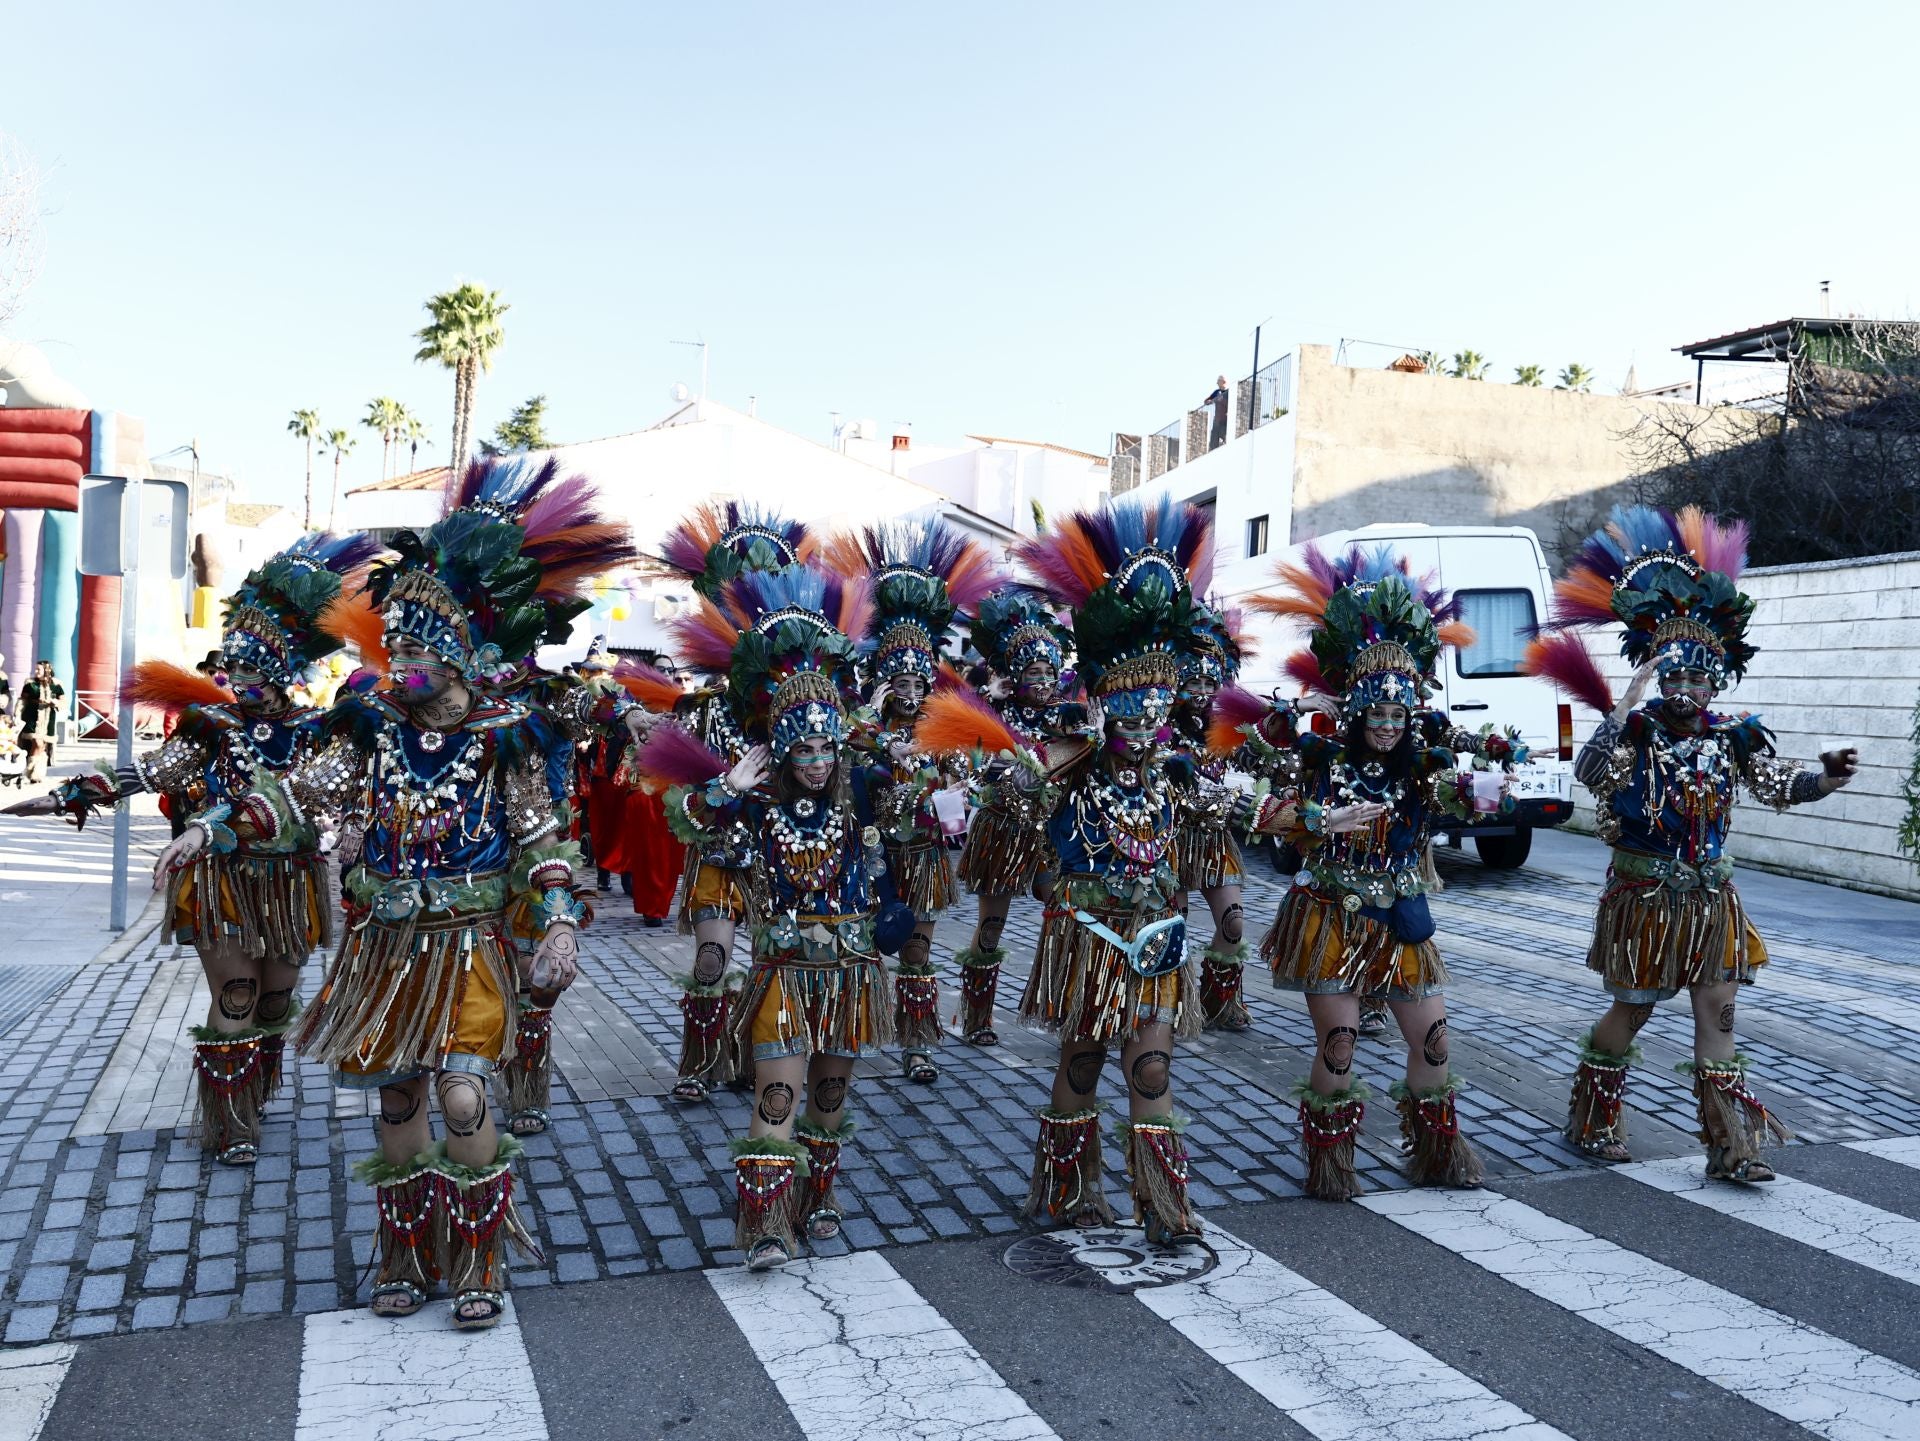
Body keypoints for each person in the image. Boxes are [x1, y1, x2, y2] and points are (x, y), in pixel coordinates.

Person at [167, 456, 633, 1330]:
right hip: (383, 946)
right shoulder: (372, 729)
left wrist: (563, 922)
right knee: (397, 1097)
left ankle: (478, 1258)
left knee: (462, 1095)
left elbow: (541, 839)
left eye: (420, 649)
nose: (402, 662)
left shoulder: (505, 738)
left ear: (460, 655)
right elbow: (299, 796)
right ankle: (407, 1254)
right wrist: (217, 824)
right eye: (399, 646)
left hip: (466, 945)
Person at [7, 534, 380, 1166]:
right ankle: (229, 1122)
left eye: (255, 671)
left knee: (274, 999)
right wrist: (76, 791)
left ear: (285, 671)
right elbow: (157, 768)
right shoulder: (213, 727)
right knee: (235, 994)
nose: (241, 682)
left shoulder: (319, 734)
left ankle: (255, 1088)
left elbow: (305, 799)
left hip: (290, 881)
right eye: (236, 670)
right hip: (222, 879)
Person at [1525, 505, 1856, 1184]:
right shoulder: (1635, 733)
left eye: (1695, 677)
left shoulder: (1730, 738)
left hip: (1711, 902)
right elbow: (1587, 775)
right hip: (1645, 898)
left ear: (1717, 679)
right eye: (1670, 676)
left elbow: (1778, 784)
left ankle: (1733, 1146)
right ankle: (1592, 1116)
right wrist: (1623, 707)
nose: (1681, 688)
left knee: (1721, 1013)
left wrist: (1825, 776)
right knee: (1635, 1009)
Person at [925, 496, 1213, 1245]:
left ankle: (1163, 1200)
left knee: (1150, 1068)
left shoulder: (1172, 773)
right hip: (1088, 935)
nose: (1147, 716)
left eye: (1158, 700)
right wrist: (1023, 775)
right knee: (1082, 1062)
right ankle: (1072, 1188)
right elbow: (1011, 794)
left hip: (1152, 936)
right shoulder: (1071, 756)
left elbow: (1240, 822)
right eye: (1131, 703)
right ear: (1107, 701)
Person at [1243, 544, 1523, 1199]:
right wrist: (1322, 820)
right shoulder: (1319, 758)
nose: (1390, 725)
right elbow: (1262, 809)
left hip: (1401, 920)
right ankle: (1331, 1162)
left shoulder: (1425, 770)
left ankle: (1435, 1153)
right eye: (1379, 714)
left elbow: (1470, 796)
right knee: (1340, 1040)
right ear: (1359, 712)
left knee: (1433, 1042)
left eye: (1401, 715)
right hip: (1330, 917)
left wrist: (1494, 791)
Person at [649, 560, 907, 1270]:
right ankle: (765, 1222)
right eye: (804, 746)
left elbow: (930, 798)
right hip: (786, 972)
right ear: (782, 745)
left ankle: (817, 1193)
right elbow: (697, 824)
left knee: (828, 1093)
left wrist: (896, 751)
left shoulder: (863, 792)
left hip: (850, 968)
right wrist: (726, 786)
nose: (818, 760)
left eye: (827, 746)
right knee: (778, 1091)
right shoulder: (758, 804)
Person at [650, 501, 819, 1103]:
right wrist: (725, 789)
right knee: (712, 962)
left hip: (784, 861)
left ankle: (757, 1056)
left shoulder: (801, 708)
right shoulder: (702, 714)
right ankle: (697, 1065)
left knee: (776, 962)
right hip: (720, 857)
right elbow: (685, 809)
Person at [826, 517, 999, 1084]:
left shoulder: (941, 729)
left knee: (918, 955)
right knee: (864, 950)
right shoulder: (861, 726)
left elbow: (962, 780)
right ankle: (857, 1031)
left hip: (922, 854)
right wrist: (871, 721)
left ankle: (917, 1046)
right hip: (869, 853)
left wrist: (956, 790)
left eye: (916, 675)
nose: (906, 683)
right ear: (880, 675)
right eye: (895, 675)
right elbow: (838, 767)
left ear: (929, 678)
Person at [948, 592, 1087, 1046]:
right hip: (1003, 829)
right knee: (992, 925)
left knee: (1065, 914)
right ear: (1016, 675)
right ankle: (977, 1016)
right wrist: (990, 696)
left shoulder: (1068, 717)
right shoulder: (995, 712)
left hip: (1049, 834)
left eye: (1049, 672)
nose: (1044, 681)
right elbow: (958, 730)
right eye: (1033, 672)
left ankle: (1065, 1008)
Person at [1168, 604, 1256, 1030]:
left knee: (1234, 923)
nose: (1202, 691)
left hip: (1216, 841)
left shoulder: (1225, 728)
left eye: (1210, 681)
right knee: (1174, 928)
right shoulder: (1158, 727)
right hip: (1169, 841)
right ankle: (1176, 1003)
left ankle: (1219, 1000)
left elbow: (1265, 752)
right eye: (1193, 681)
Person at [19, 659, 64, 783]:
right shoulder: (30, 684)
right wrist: (17, 714)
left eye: (39, 669)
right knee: (37, 743)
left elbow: (63, 701)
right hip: (32, 717)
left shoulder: (56, 685)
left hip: (48, 718)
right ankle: (28, 770)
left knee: (42, 746)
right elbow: (22, 700)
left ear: (47, 670)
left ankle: (37, 774)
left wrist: (54, 702)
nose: (36, 671)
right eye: (36, 669)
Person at [1203, 374, 1230, 451]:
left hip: (1225, 419)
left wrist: (1221, 400)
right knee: (1214, 437)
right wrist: (1212, 401)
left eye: (1218, 381)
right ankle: (1212, 451)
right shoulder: (1217, 392)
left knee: (1224, 435)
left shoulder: (1229, 392)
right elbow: (1206, 401)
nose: (1217, 383)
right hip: (1217, 420)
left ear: (1223, 382)